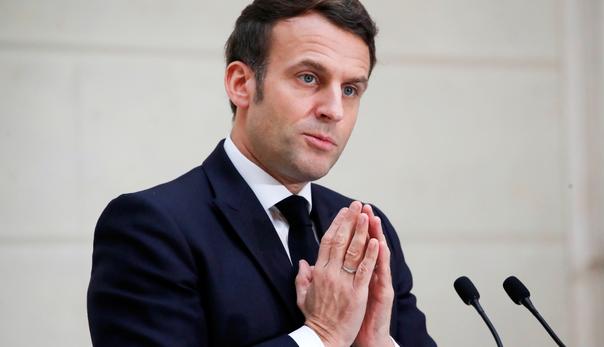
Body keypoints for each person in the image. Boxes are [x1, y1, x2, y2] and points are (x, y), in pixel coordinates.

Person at [87, 1, 436, 346]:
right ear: (242, 84)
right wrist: (322, 335)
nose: (334, 110)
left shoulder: (368, 231)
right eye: (309, 77)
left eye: (350, 90)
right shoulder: (151, 226)